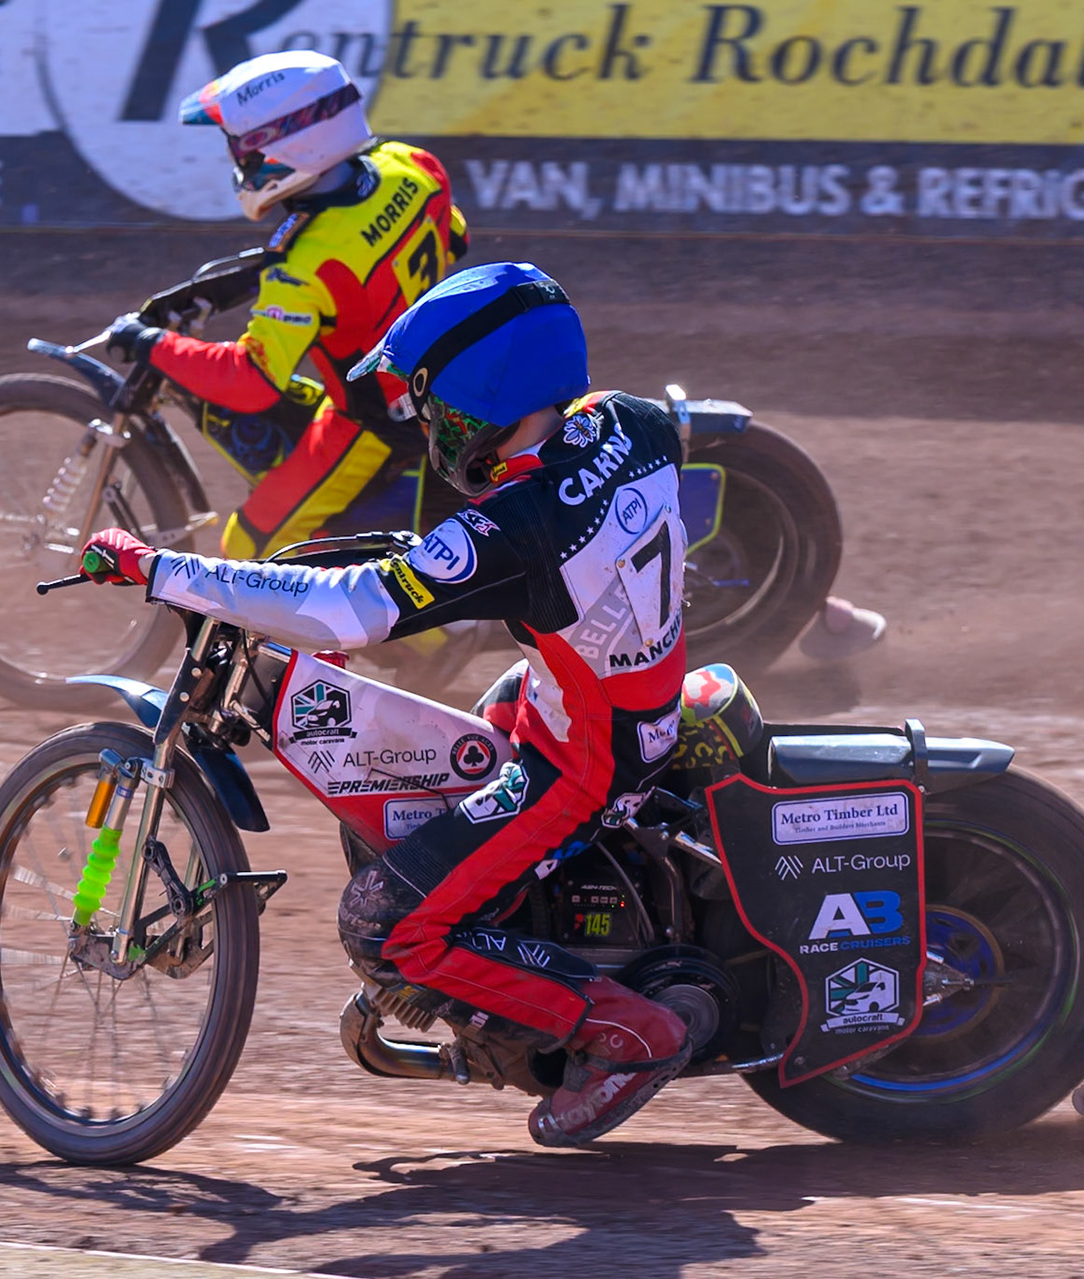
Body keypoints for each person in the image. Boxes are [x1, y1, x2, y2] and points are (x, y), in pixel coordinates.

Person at [79, 261, 694, 1145]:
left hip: (582, 762)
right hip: (599, 700)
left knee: (386, 923)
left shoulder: (517, 526)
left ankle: (626, 1032)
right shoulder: (630, 421)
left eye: (438, 403)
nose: (431, 423)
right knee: (403, 778)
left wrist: (158, 567)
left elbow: (347, 615)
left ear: (490, 386)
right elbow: (562, 530)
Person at [101, 49, 469, 563]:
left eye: (245, 150)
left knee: (248, 544)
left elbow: (253, 379)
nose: (240, 164)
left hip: (374, 422)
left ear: (291, 144)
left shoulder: (302, 265)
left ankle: (407, 633)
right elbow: (454, 238)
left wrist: (153, 343)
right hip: (451, 381)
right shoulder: (411, 164)